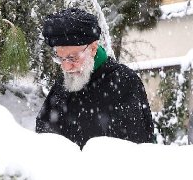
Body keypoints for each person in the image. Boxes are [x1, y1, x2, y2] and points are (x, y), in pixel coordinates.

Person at [36, 8, 155, 149]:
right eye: (60, 58)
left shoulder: (124, 82)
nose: (66, 67)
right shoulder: (64, 84)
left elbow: (137, 148)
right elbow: (43, 139)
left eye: (72, 58)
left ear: (93, 48)